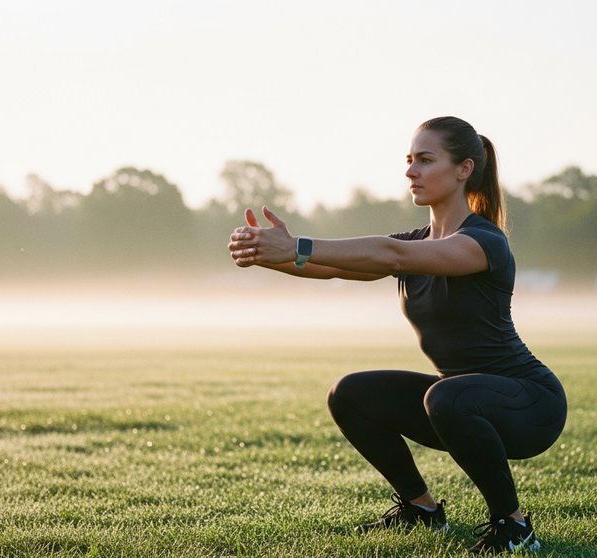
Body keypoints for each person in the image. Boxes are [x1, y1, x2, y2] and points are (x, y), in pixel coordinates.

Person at [227, 116, 567, 554]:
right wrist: (266, 253)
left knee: (446, 395)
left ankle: (515, 526)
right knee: (351, 394)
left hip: (530, 405)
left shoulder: (482, 242)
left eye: (425, 160)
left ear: (464, 169)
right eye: (409, 160)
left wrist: (296, 246)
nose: (411, 171)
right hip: (458, 402)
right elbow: (333, 267)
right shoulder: (415, 242)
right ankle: (421, 509)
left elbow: (391, 255)